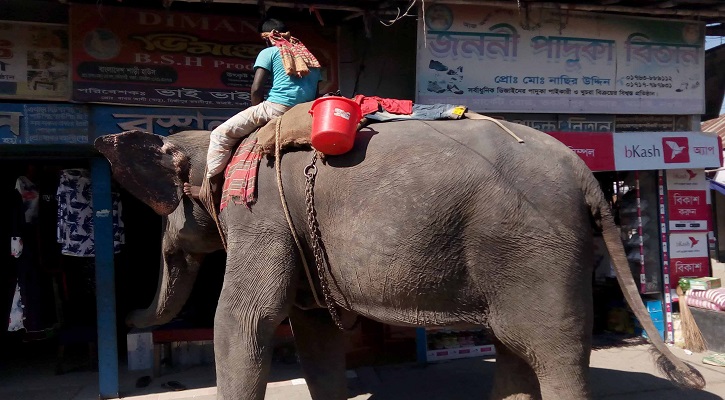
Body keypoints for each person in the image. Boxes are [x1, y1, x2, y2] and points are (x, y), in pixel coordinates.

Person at [185, 18, 321, 198]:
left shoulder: (269, 52)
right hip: (304, 111)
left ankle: (210, 191)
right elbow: (316, 93)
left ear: (266, 38)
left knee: (220, 134)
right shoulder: (309, 58)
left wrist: (257, 111)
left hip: (277, 108)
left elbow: (256, 88)